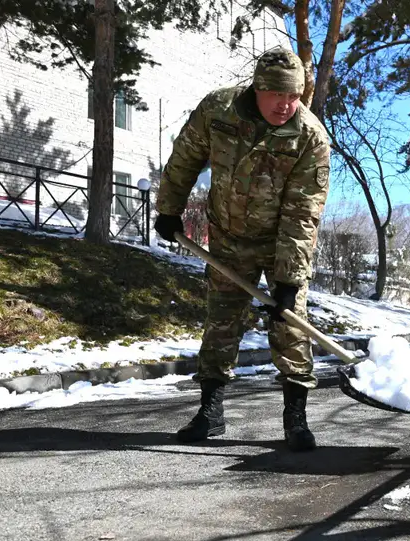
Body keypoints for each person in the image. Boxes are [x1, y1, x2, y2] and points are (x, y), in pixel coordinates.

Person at [153, 47, 330, 451]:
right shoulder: (219, 109)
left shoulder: (311, 137)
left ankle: (296, 418)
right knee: (221, 322)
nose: (286, 105)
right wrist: (169, 209)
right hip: (227, 237)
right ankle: (210, 411)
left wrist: (288, 279)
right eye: (278, 96)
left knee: (291, 326)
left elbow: (303, 213)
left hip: (279, 243)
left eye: (294, 97)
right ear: (258, 88)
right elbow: (184, 159)